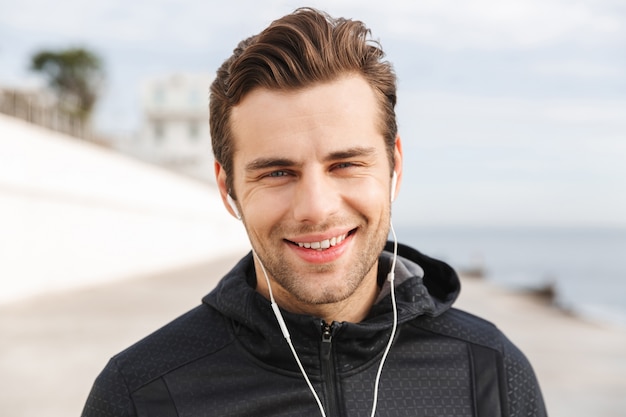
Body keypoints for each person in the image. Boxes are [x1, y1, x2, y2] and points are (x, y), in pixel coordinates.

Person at [82, 8, 547, 417]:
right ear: (228, 189)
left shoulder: (491, 373)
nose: (316, 208)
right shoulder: (141, 396)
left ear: (395, 168)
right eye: (278, 173)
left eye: (345, 164)